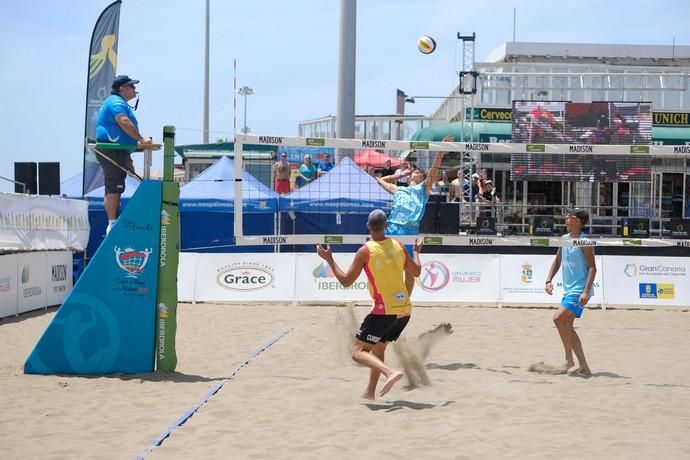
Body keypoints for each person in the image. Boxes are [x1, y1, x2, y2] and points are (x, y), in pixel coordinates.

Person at [316, 209, 422, 400]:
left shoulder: (365, 251)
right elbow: (416, 272)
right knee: (378, 347)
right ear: (386, 226)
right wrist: (416, 251)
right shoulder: (398, 245)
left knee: (357, 352)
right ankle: (370, 392)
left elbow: (346, 281)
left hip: (384, 311)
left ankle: (389, 373)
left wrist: (330, 260)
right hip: (405, 310)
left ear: (367, 226)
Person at [376, 135, 453, 294]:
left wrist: (440, 153)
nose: (417, 171)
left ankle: (405, 301)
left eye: (419, 171)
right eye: (415, 171)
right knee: (389, 269)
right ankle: (388, 298)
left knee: (409, 272)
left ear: (422, 178)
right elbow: (380, 180)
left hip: (410, 231)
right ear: (410, 176)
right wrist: (402, 174)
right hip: (392, 230)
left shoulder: (423, 189)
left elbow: (432, 171)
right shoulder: (399, 189)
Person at [95, 75, 152, 234]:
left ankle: (114, 220)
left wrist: (128, 154)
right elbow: (124, 122)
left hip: (118, 149)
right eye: (132, 86)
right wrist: (141, 140)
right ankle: (112, 223)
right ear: (122, 89)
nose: (135, 89)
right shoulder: (115, 102)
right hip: (111, 148)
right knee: (114, 184)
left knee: (117, 183)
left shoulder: (119, 102)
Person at [544, 208, 597, 376]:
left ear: (578, 222)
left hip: (579, 290)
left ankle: (569, 359)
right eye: (567, 217)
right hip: (569, 290)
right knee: (567, 325)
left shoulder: (584, 241)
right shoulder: (564, 239)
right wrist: (548, 280)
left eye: (570, 217)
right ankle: (584, 366)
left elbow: (592, 268)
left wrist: (586, 291)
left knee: (558, 319)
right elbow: (557, 260)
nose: (566, 219)